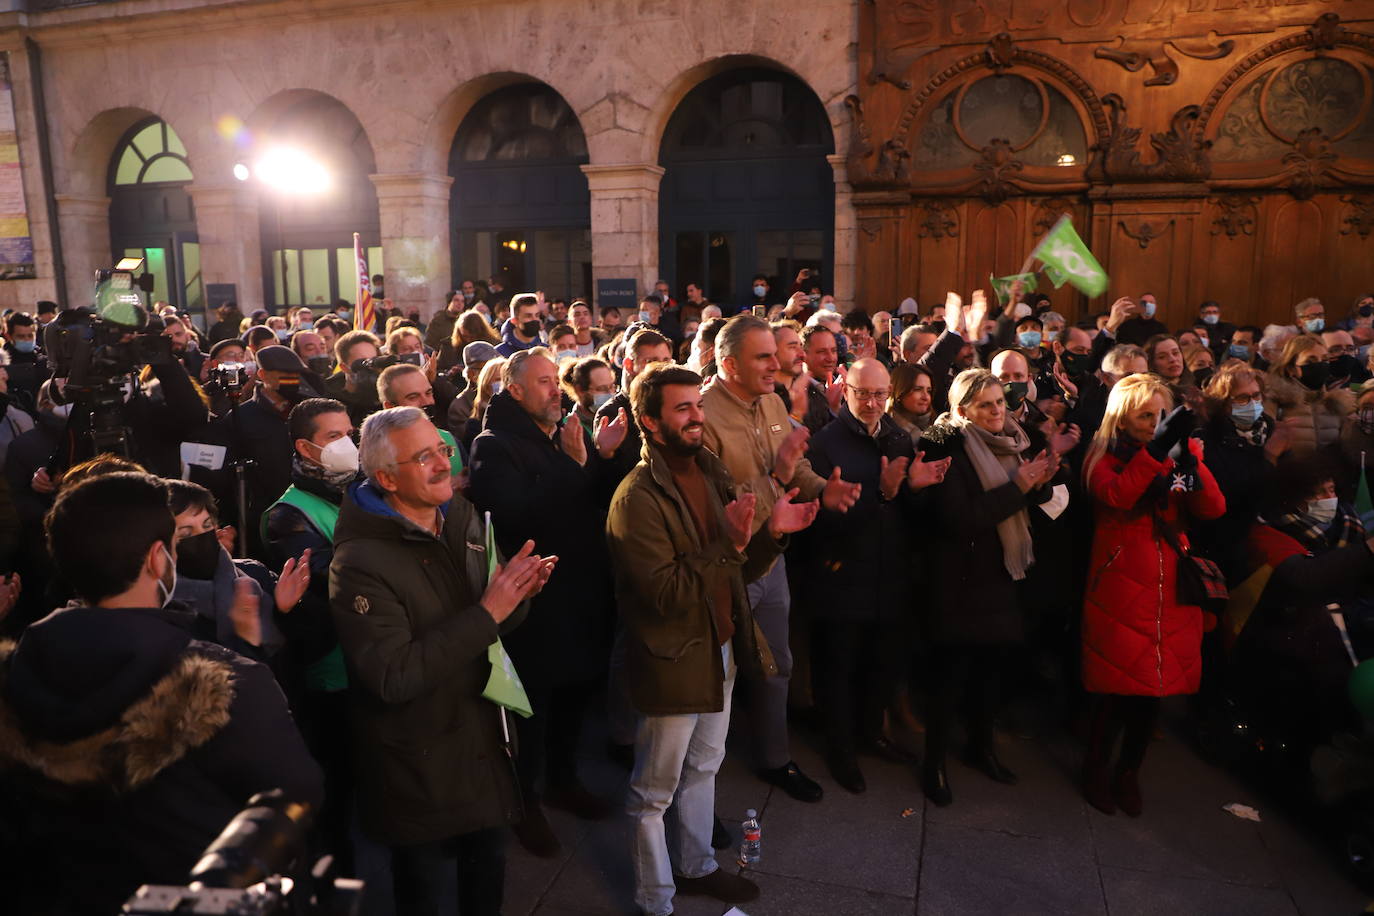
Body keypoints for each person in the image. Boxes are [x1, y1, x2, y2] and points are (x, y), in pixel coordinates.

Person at [0, 472, 322, 915]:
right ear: (157, 559)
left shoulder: (14, 673)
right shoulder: (225, 683)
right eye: (176, 541)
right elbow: (290, 803)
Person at [609, 363, 818, 916]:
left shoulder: (711, 470)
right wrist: (728, 542)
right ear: (650, 423)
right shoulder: (636, 499)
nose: (696, 417)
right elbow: (665, 594)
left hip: (719, 650)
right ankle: (655, 899)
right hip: (673, 659)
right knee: (653, 793)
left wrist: (772, 535)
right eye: (682, 409)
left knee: (704, 768)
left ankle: (697, 867)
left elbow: (737, 569)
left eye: (696, 406)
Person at [330, 407, 552, 916]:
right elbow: (392, 676)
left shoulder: (462, 516)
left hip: (483, 745)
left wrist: (517, 597)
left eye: (443, 450)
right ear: (386, 478)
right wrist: (488, 611)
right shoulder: (358, 562)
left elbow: (495, 627)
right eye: (422, 457)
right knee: (426, 894)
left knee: (486, 880)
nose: (441, 465)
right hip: (419, 765)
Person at [467, 348, 627, 857]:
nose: (555, 389)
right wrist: (574, 465)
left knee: (575, 693)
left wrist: (597, 458)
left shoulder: (552, 436)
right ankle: (525, 800)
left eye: (555, 381)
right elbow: (515, 515)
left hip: (578, 589)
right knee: (532, 708)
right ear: (514, 390)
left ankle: (564, 780)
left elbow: (583, 502)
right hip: (538, 601)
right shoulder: (495, 444)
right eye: (542, 382)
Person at [700, 315, 861, 802]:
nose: (778, 364)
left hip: (772, 562)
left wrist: (821, 489)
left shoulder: (772, 401)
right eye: (763, 357)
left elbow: (797, 467)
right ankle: (698, 779)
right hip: (725, 569)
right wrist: (778, 474)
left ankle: (773, 758)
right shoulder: (701, 414)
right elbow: (713, 506)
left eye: (776, 353)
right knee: (714, 676)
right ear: (728, 364)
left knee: (776, 664)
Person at [1079, 374, 1225, 817]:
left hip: (1171, 586)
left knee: (1154, 693)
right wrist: (1157, 450)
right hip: (1123, 583)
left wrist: (1190, 462)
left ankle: (1129, 772)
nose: (1155, 423)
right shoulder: (1106, 457)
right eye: (1146, 416)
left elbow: (1214, 508)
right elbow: (1117, 495)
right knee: (1117, 690)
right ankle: (1097, 768)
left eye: (1162, 415)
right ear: (1122, 419)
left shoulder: (1182, 453)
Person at [801, 359, 948, 792]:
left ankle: (871, 733)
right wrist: (882, 495)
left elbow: (912, 516)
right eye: (864, 393)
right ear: (845, 390)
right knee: (839, 669)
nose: (872, 403)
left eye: (881, 394)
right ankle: (840, 749)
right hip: (842, 577)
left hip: (890, 576)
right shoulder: (825, 444)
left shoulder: (900, 438)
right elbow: (820, 519)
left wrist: (915, 492)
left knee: (882, 666)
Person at [917, 369, 1060, 806]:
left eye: (1000, 402)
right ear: (963, 411)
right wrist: (1021, 485)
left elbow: (1034, 498)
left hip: (1002, 577)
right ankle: (934, 763)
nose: (998, 411)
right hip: (960, 581)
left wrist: (1039, 481)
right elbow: (960, 519)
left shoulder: (1015, 439)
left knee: (989, 676)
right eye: (986, 405)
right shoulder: (945, 445)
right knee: (950, 679)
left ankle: (982, 748)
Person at [261, 398, 358, 871]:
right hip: (334, 669)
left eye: (350, 433)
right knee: (337, 781)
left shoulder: (358, 488)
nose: (348, 446)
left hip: (375, 659)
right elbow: (333, 580)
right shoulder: (289, 516)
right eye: (333, 438)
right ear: (305, 447)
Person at [1192, 363, 1292, 580]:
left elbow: (1287, 490)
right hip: (1230, 543)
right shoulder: (1209, 440)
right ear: (1224, 404)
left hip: (1274, 530)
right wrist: (1269, 458)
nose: (1252, 403)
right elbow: (1230, 499)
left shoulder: (1272, 430)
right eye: (1241, 398)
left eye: (1256, 396)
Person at [220, 345, 321, 555]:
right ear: (263, 375)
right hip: (262, 518)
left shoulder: (307, 411)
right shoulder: (242, 417)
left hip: (308, 509)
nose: (291, 381)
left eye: (295, 375)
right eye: (284, 376)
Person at [596, 329, 674, 486]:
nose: (660, 368)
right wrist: (606, 454)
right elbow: (605, 484)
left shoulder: (672, 405)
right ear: (629, 364)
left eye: (665, 361)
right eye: (651, 362)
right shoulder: (611, 413)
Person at [1264, 334, 1354, 457]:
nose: (1320, 365)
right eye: (1310, 361)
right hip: (1288, 473)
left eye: (1324, 360)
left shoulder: (1335, 404)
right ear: (1291, 369)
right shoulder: (1275, 401)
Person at [326, 329, 383, 426]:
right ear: (344, 367)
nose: (369, 367)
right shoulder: (330, 404)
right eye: (362, 362)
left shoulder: (384, 397)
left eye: (373, 361)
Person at [449, 341, 499, 432]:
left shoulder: (509, 395)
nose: (496, 374)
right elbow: (468, 440)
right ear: (471, 374)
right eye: (488, 370)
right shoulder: (460, 407)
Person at [887, 362, 936, 443]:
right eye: (917, 389)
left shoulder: (939, 429)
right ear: (900, 391)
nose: (926, 397)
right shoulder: (883, 430)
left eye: (929, 391)